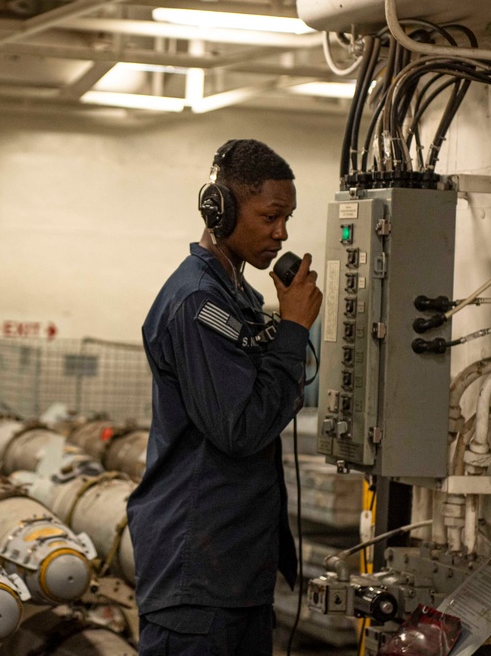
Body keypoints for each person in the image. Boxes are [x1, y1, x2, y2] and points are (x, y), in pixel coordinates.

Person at [126, 138, 323, 656]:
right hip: (198, 574)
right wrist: (294, 331)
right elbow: (239, 429)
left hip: (234, 566)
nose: (282, 233)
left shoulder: (241, 299)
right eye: (271, 216)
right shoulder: (199, 302)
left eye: (288, 218)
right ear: (222, 209)